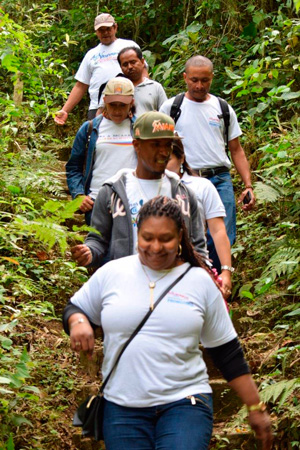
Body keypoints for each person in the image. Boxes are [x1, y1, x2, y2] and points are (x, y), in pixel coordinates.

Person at [63, 196, 273, 450]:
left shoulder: (200, 282)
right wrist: (78, 322)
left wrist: (254, 406)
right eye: (147, 237)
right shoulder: (113, 273)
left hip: (186, 403)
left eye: (166, 239)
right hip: (122, 409)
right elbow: (76, 308)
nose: (155, 247)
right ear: (137, 233)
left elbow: (227, 352)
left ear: (180, 236)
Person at [70, 111, 207, 267]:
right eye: (156, 144)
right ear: (137, 145)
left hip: (174, 285)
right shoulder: (112, 192)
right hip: (127, 283)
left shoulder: (184, 194)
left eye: (168, 144)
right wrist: (89, 252)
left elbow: (198, 245)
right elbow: (98, 239)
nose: (164, 152)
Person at [160, 55, 256, 272]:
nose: (199, 85)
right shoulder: (171, 108)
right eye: (194, 80)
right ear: (185, 77)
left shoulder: (222, 108)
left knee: (222, 232)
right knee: (184, 230)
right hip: (184, 179)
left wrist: (248, 185)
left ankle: (218, 279)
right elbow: (159, 146)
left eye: (205, 80)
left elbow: (236, 149)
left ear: (212, 78)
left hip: (219, 178)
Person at [166, 139, 232, 299]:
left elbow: (218, 230)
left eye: (168, 159)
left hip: (196, 261)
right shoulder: (150, 185)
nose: (163, 164)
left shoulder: (202, 186)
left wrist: (226, 271)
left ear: (181, 158)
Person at [66, 77, 137, 224]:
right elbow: (74, 166)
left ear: (131, 103)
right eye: (113, 105)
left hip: (133, 202)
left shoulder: (140, 128)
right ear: (104, 101)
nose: (117, 110)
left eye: (122, 105)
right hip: (97, 202)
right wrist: (79, 195)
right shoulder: (90, 129)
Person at [54, 13, 145, 124]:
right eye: (101, 30)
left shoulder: (129, 46)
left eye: (108, 29)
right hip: (97, 106)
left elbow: (142, 72)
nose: (105, 33)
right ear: (96, 32)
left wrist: (147, 96)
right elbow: (81, 85)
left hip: (125, 103)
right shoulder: (91, 54)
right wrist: (65, 110)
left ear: (115, 27)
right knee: (95, 139)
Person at [117, 46, 167, 116]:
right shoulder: (116, 89)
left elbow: (166, 114)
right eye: (125, 64)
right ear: (121, 68)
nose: (130, 67)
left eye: (133, 62)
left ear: (142, 62)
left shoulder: (155, 87)